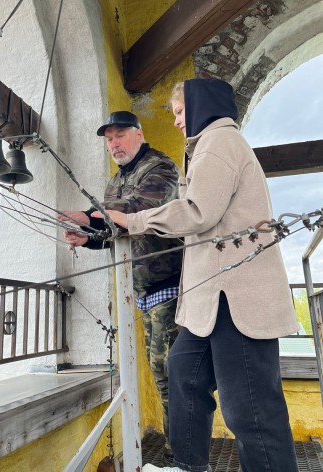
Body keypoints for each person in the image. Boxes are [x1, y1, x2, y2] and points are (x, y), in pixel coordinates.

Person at [92, 81, 299, 472]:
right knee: (184, 374)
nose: (174, 122)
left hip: (235, 297)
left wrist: (133, 220)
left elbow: (197, 212)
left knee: (250, 410)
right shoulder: (205, 148)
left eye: (179, 112)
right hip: (209, 301)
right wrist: (93, 232)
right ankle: (187, 466)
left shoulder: (219, 142)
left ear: (200, 106)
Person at [58, 111, 183, 465]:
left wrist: (88, 217)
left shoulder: (161, 168)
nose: (114, 144)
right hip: (143, 291)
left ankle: (182, 456)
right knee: (161, 374)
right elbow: (115, 231)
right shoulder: (116, 182)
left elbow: (139, 211)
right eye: (109, 138)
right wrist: (87, 238)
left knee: (172, 375)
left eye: (120, 135)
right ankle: (180, 452)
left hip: (172, 287)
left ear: (139, 134)